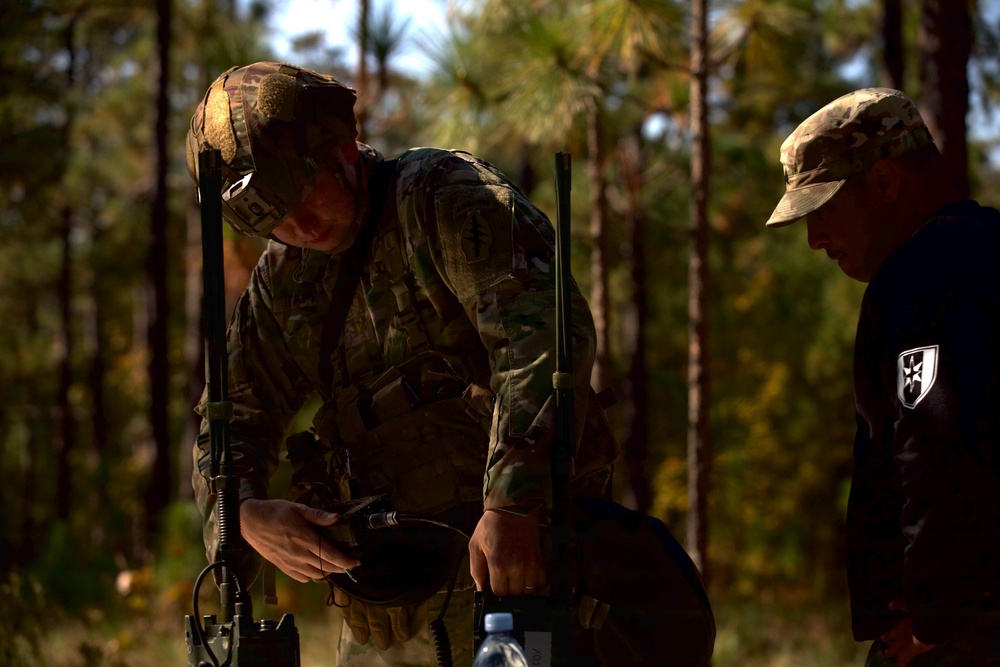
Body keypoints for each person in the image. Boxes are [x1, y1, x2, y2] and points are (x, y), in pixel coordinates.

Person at [185, 61, 618, 666]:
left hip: (518, 570)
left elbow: (540, 345)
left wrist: (514, 505)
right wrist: (246, 515)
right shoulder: (284, 282)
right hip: (383, 604)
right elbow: (231, 414)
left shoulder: (443, 197)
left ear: (341, 150)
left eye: (301, 196)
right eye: (270, 219)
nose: (298, 227)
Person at [766, 87, 1000, 667]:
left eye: (822, 212)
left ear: (886, 184)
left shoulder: (924, 273)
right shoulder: (986, 250)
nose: (815, 240)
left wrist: (937, 611)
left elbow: (938, 444)